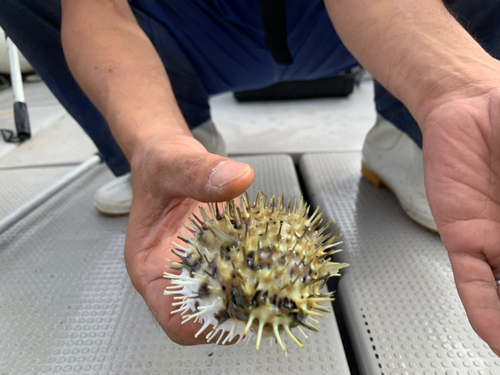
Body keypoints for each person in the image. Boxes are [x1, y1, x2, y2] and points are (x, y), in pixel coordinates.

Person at [2, 0, 500, 354]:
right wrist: (154, 140)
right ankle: (179, 152)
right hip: (183, 29)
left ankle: (411, 132)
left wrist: (457, 87)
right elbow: (98, 11)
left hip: (344, 25)